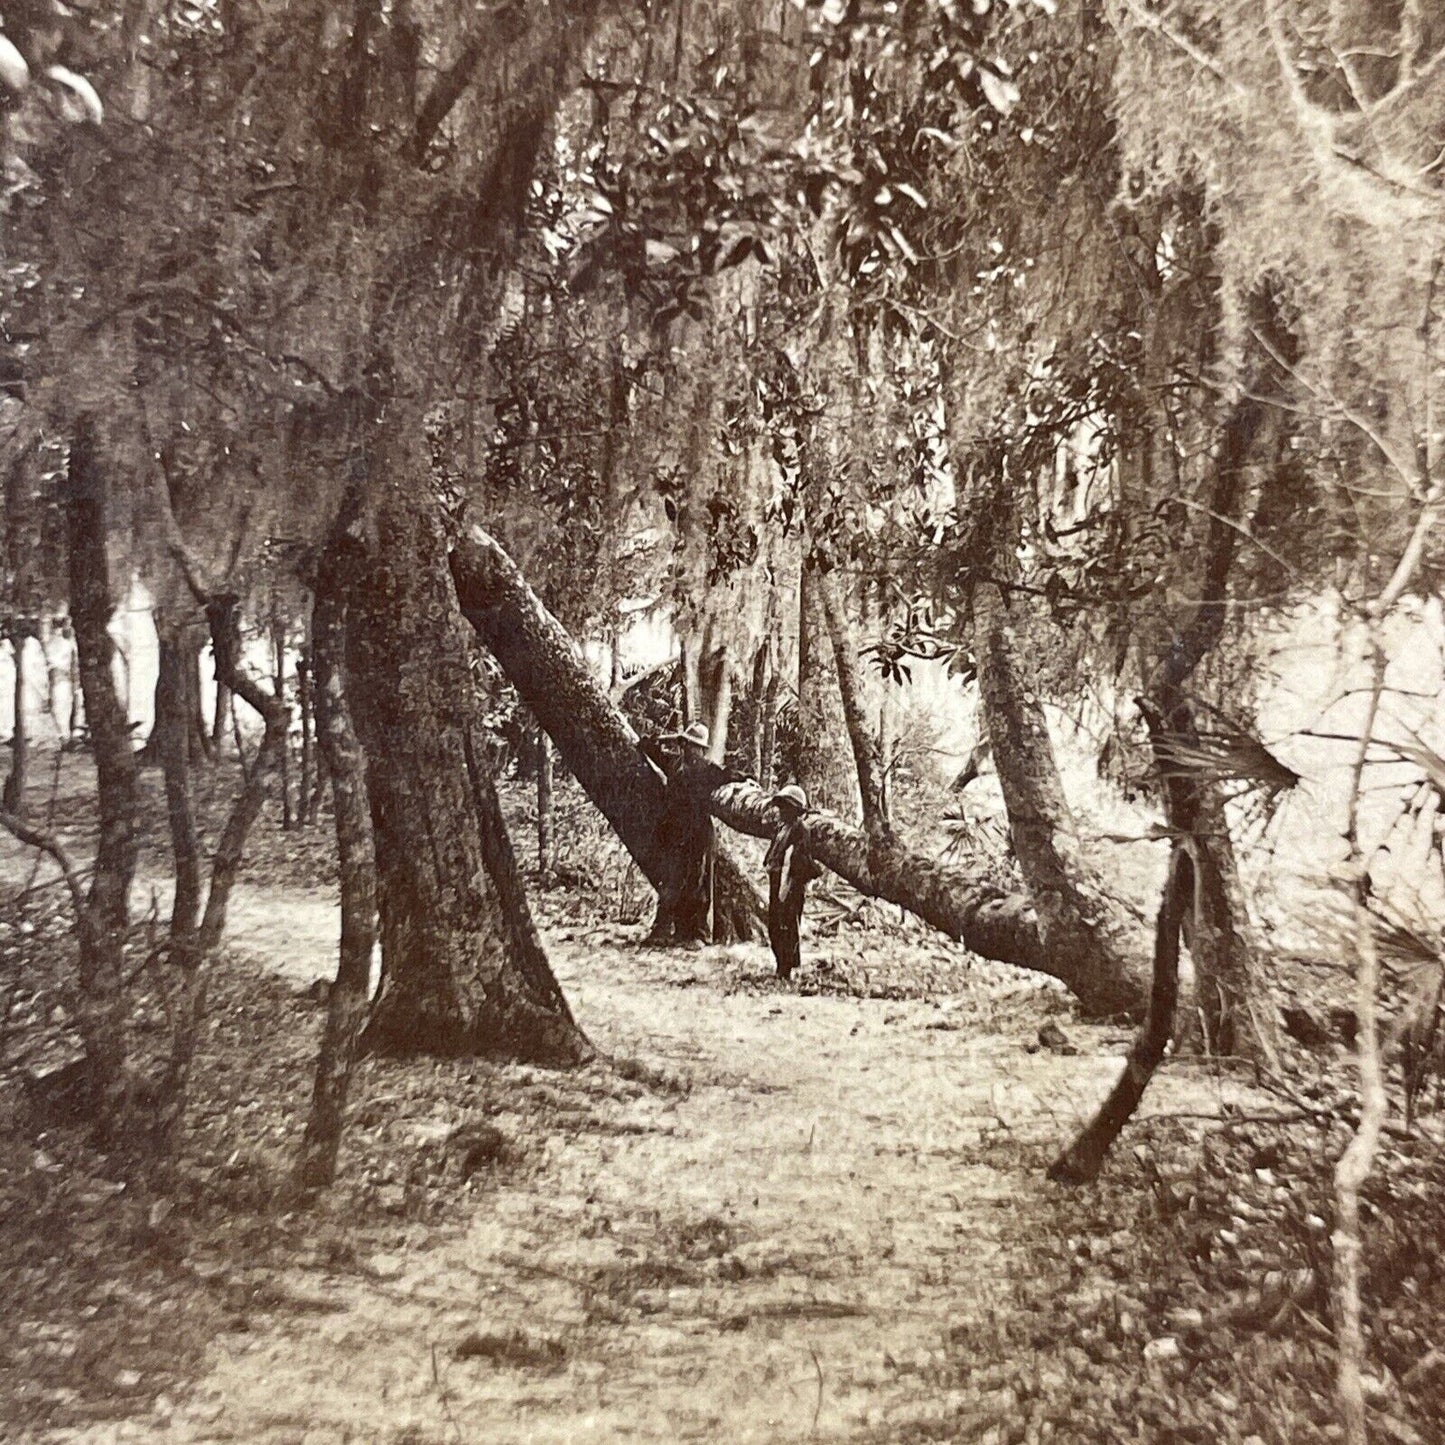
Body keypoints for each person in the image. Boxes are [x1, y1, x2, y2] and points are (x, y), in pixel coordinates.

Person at [637, 721, 737, 944]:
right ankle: (667, 931)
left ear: (702, 749)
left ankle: (697, 935)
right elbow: (652, 750)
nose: (689, 749)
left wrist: (745, 779)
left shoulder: (708, 769)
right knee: (671, 881)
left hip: (698, 834)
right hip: (675, 833)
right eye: (687, 744)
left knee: (698, 883)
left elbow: (730, 775)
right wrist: (652, 741)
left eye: (694, 746)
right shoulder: (675, 763)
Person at [764, 783, 822, 980]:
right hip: (776, 882)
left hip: (791, 884)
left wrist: (786, 886)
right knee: (774, 924)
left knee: (787, 925)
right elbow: (773, 854)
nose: (780, 811)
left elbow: (797, 860)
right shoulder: (781, 829)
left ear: (794, 810)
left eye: (785, 807)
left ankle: (786, 969)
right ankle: (780, 964)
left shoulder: (801, 829)